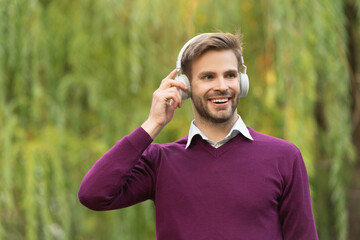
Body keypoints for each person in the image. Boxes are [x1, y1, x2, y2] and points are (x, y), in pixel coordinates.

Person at [78, 32, 318, 240]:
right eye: (208, 77)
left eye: (230, 75)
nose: (222, 86)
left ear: (242, 82)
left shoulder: (284, 156)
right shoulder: (160, 162)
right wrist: (153, 123)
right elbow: (94, 194)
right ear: (185, 86)